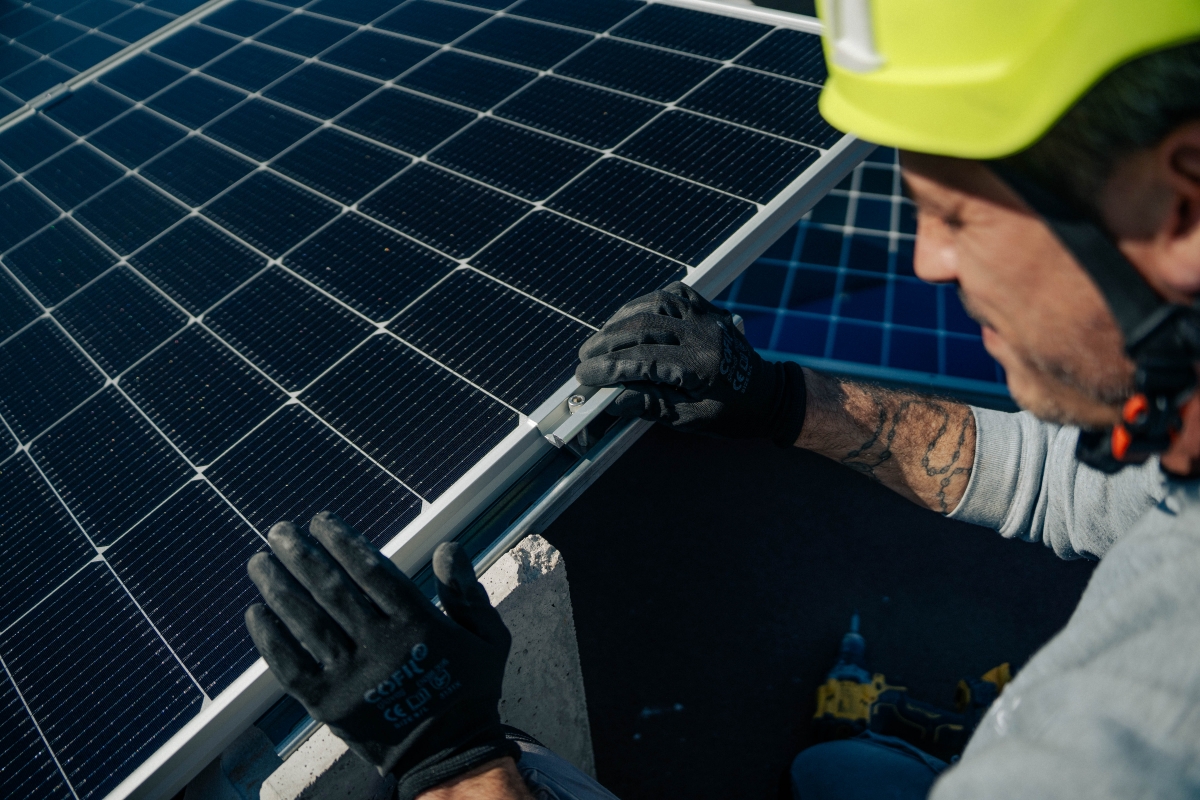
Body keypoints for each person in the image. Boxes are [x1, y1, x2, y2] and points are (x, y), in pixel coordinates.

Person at [243, 1, 1200, 797]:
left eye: (957, 214)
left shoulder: (1122, 747)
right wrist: (781, 399)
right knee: (838, 772)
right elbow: (1071, 485)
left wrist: (452, 765)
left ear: (1182, 205)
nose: (927, 260)